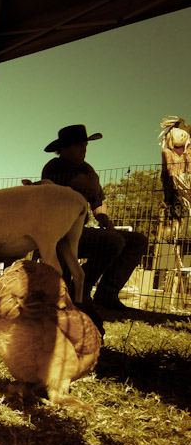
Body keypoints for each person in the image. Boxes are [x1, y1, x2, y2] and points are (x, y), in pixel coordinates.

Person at [42, 125, 148, 311]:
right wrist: (93, 176)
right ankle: (79, 289)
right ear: (65, 148)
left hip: (80, 232)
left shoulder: (86, 169)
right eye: (79, 145)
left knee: (136, 240)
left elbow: (99, 201)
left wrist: (107, 223)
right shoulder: (55, 167)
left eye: (85, 145)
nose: (84, 149)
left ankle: (107, 294)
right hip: (59, 235)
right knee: (113, 242)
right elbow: (89, 187)